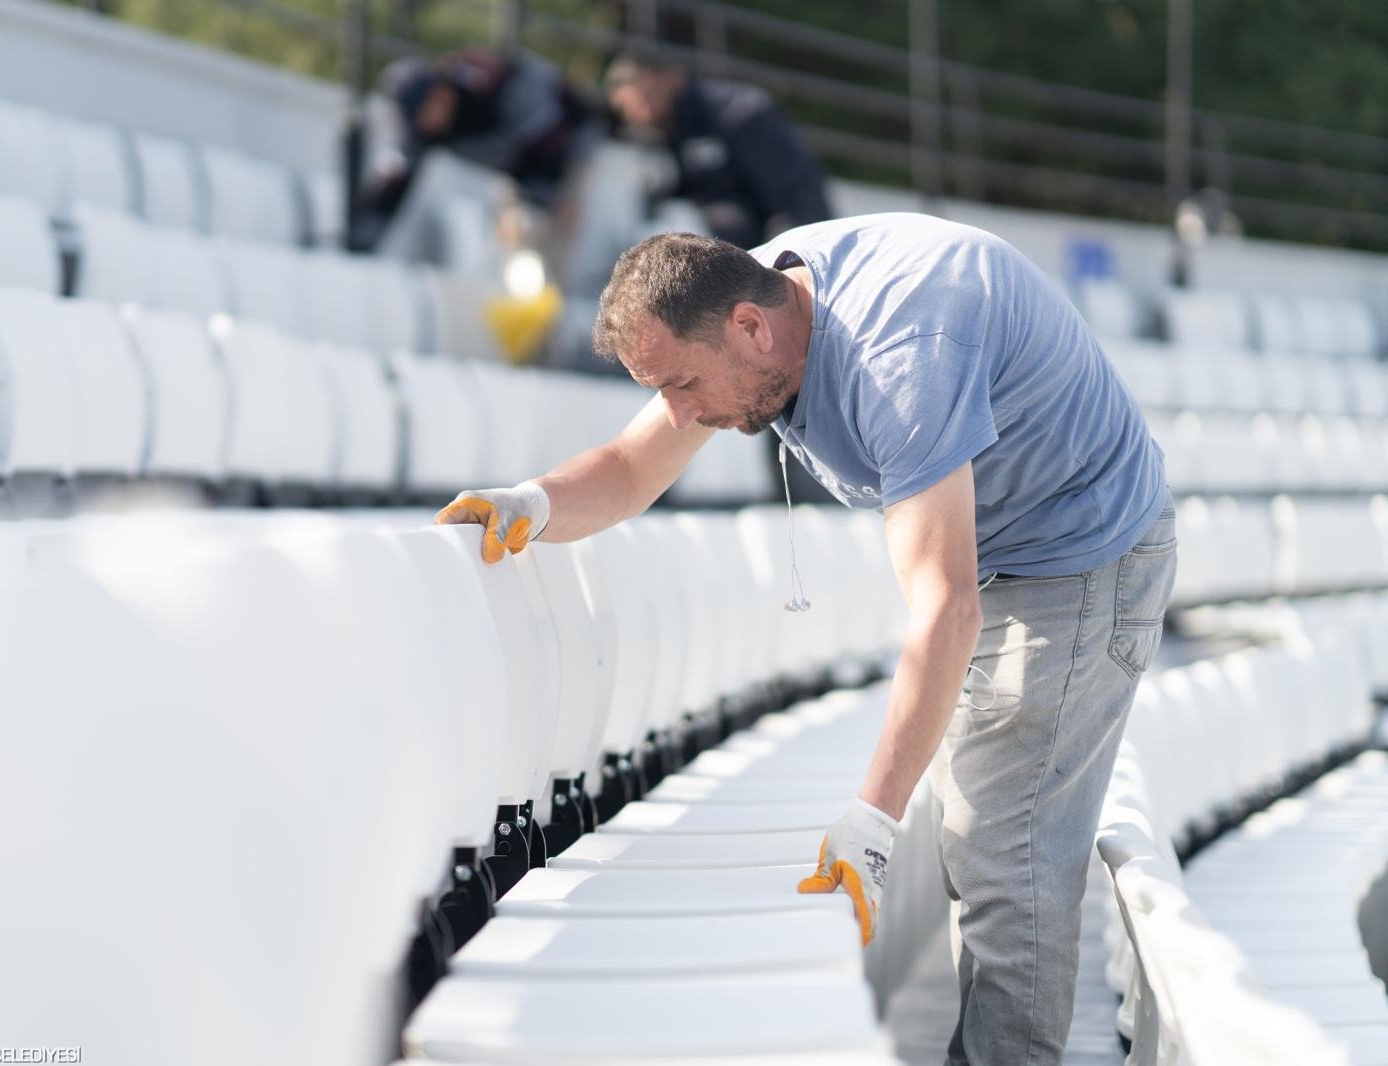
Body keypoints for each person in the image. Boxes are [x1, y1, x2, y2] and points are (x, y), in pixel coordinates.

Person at [435, 216, 1176, 1066]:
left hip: (1078, 552)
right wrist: (532, 503)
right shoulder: (744, 303)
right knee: (980, 836)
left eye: (680, 385)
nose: (679, 414)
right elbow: (632, 470)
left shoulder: (903, 358)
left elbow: (946, 604)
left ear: (751, 327)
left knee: (1006, 848)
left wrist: (871, 820)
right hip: (1001, 548)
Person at [356, 48, 590, 248]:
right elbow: (397, 179)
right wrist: (366, 234)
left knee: (554, 231)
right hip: (519, 171)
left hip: (572, 141)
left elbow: (550, 132)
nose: (426, 123)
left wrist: (555, 196)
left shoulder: (486, 84)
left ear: (439, 94)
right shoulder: (426, 131)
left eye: (427, 110)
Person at [604, 50, 832, 248]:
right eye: (627, 110)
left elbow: (797, 198)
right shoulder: (660, 134)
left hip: (771, 247)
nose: (642, 115)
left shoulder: (740, 113)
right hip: (726, 254)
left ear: (675, 79)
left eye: (647, 100)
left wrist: (782, 263)